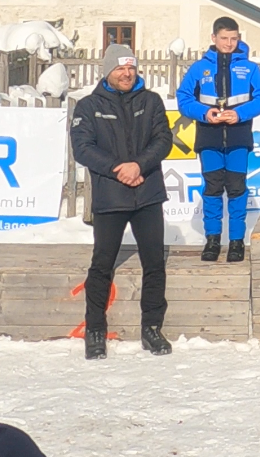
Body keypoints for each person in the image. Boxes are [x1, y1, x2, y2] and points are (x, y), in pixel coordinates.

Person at [71, 45, 173, 359]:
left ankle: (152, 329)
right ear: (107, 71)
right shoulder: (88, 106)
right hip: (110, 197)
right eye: (119, 69)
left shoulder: (151, 100)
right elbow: (83, 149)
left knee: (154, 264)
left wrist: (139, 165)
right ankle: (95, 330)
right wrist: (120, 169)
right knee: (102, 265)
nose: (126, 73)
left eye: (131, 68)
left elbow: (163, 140)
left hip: (147, 194)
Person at [177, 17, 260, 263]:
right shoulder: (199, 68)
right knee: (213, 188)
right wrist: (204, 113)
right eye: (224, 38)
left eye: (234, 38)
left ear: (239, 38)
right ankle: (213, 239)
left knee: (237, 189)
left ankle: (237, 241)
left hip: (238, 136)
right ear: (214, 39)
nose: (229, 43)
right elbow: (184, 98)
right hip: (209, 137)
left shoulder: (249, 68)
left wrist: (239, 113)